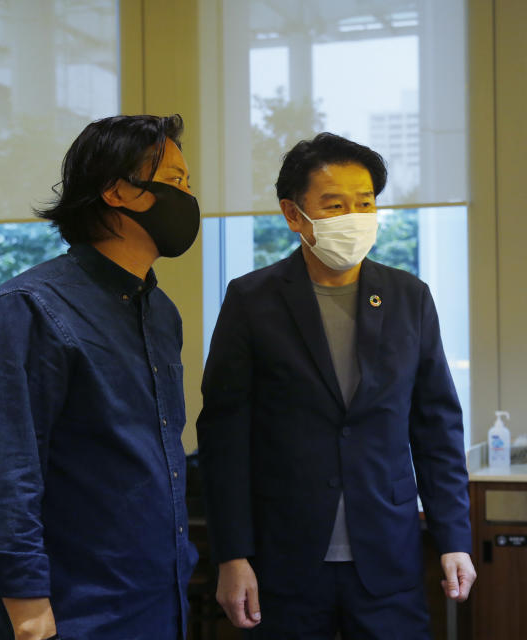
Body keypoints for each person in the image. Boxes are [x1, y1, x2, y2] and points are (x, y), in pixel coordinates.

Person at [197, 132, 476, 638]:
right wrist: (232, 554)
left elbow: (436, 427)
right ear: (293, 214)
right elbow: (224, 439)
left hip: (388, 557)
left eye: (365, 202)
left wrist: (454, 537)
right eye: (335, 204)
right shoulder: (251, 301)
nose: (355, 215)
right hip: (283, 560)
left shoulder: (409, 297)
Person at [0, 114, 200, 640]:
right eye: (175, 181)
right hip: (74, 611)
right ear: (117, 191)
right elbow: (2, 471)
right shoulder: (27, 308)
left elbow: (156, 453)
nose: (188, 197)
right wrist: (27, 611)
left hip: (161, 599)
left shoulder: (161, 312)